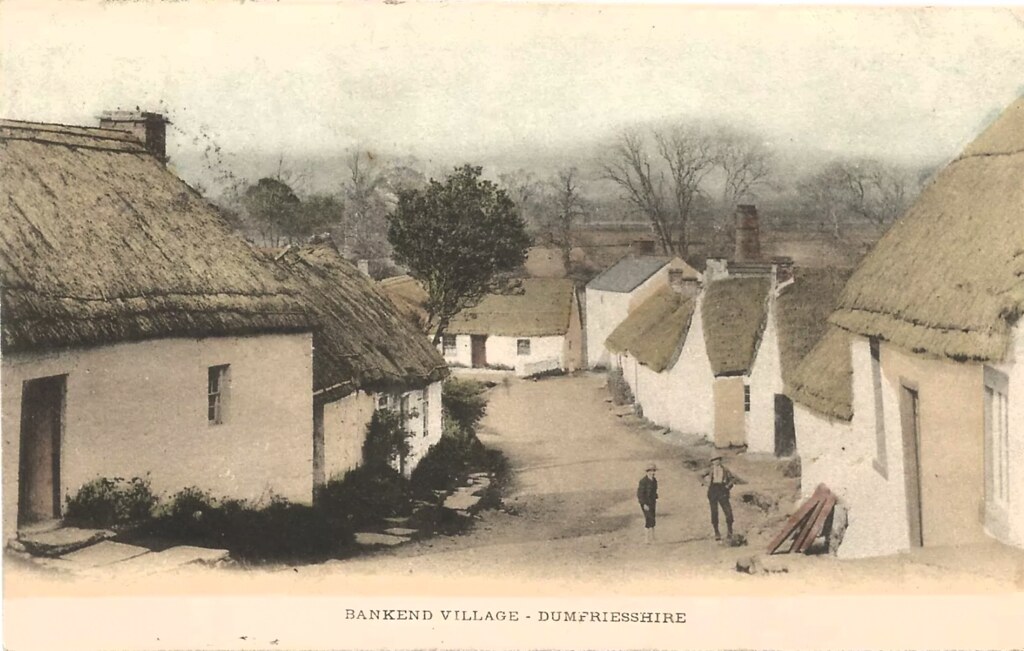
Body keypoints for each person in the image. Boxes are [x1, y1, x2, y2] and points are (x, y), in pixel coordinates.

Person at [701, 456, 739, 541]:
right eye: (714, 460)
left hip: (722, 490)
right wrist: (706, 483)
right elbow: (699, 475)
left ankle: (730, 532)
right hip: (713, 490)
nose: (716, 462)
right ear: (712, 462)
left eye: (717, 460)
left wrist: (728, 486)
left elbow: (734, 478)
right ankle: (716, 533)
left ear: (720, 461)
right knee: (714, 512)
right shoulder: (710, 470)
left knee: (728, 511)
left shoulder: (725, 469)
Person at [636, 463, 658, 543]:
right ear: (647, 472)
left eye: (653, 471)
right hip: (645, 503)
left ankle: (653, 537)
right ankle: (646, 538)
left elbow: (654, 491)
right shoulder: (643, 481)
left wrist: (655, 496)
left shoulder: (654, 480)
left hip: (652, 502)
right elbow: (640, 494)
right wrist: (644, 504)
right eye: (650, 471)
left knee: (653, 518)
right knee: (648, 519)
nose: (652, 473)